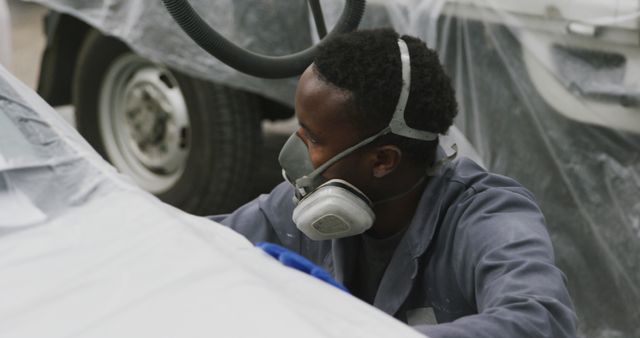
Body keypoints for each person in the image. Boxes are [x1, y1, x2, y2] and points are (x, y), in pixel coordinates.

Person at [209, 28, 577, 337]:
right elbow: (195, 242)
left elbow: (541, 321)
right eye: (299, 132)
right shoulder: (297, 207)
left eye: (314, 139)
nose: (295, 152)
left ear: (382, 160)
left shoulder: (487, 216)